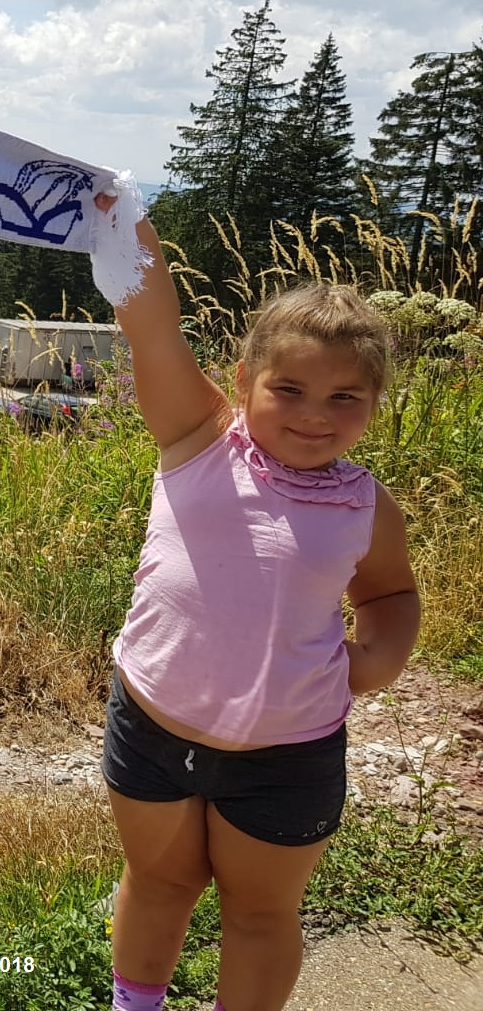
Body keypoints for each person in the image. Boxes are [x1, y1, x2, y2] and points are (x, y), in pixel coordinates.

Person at [96, 198, 420, 1011]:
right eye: (291, 388)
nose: (316, 413)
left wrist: (377, 659)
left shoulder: (366, 504)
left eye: (347, 397)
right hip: (154, 723)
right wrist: (122, 219)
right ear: (243, 383)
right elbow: (155, 331)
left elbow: (390, 591)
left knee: (260, 912)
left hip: (289, 752)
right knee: (159, 884)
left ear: (374, 404)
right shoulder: (197, 436)